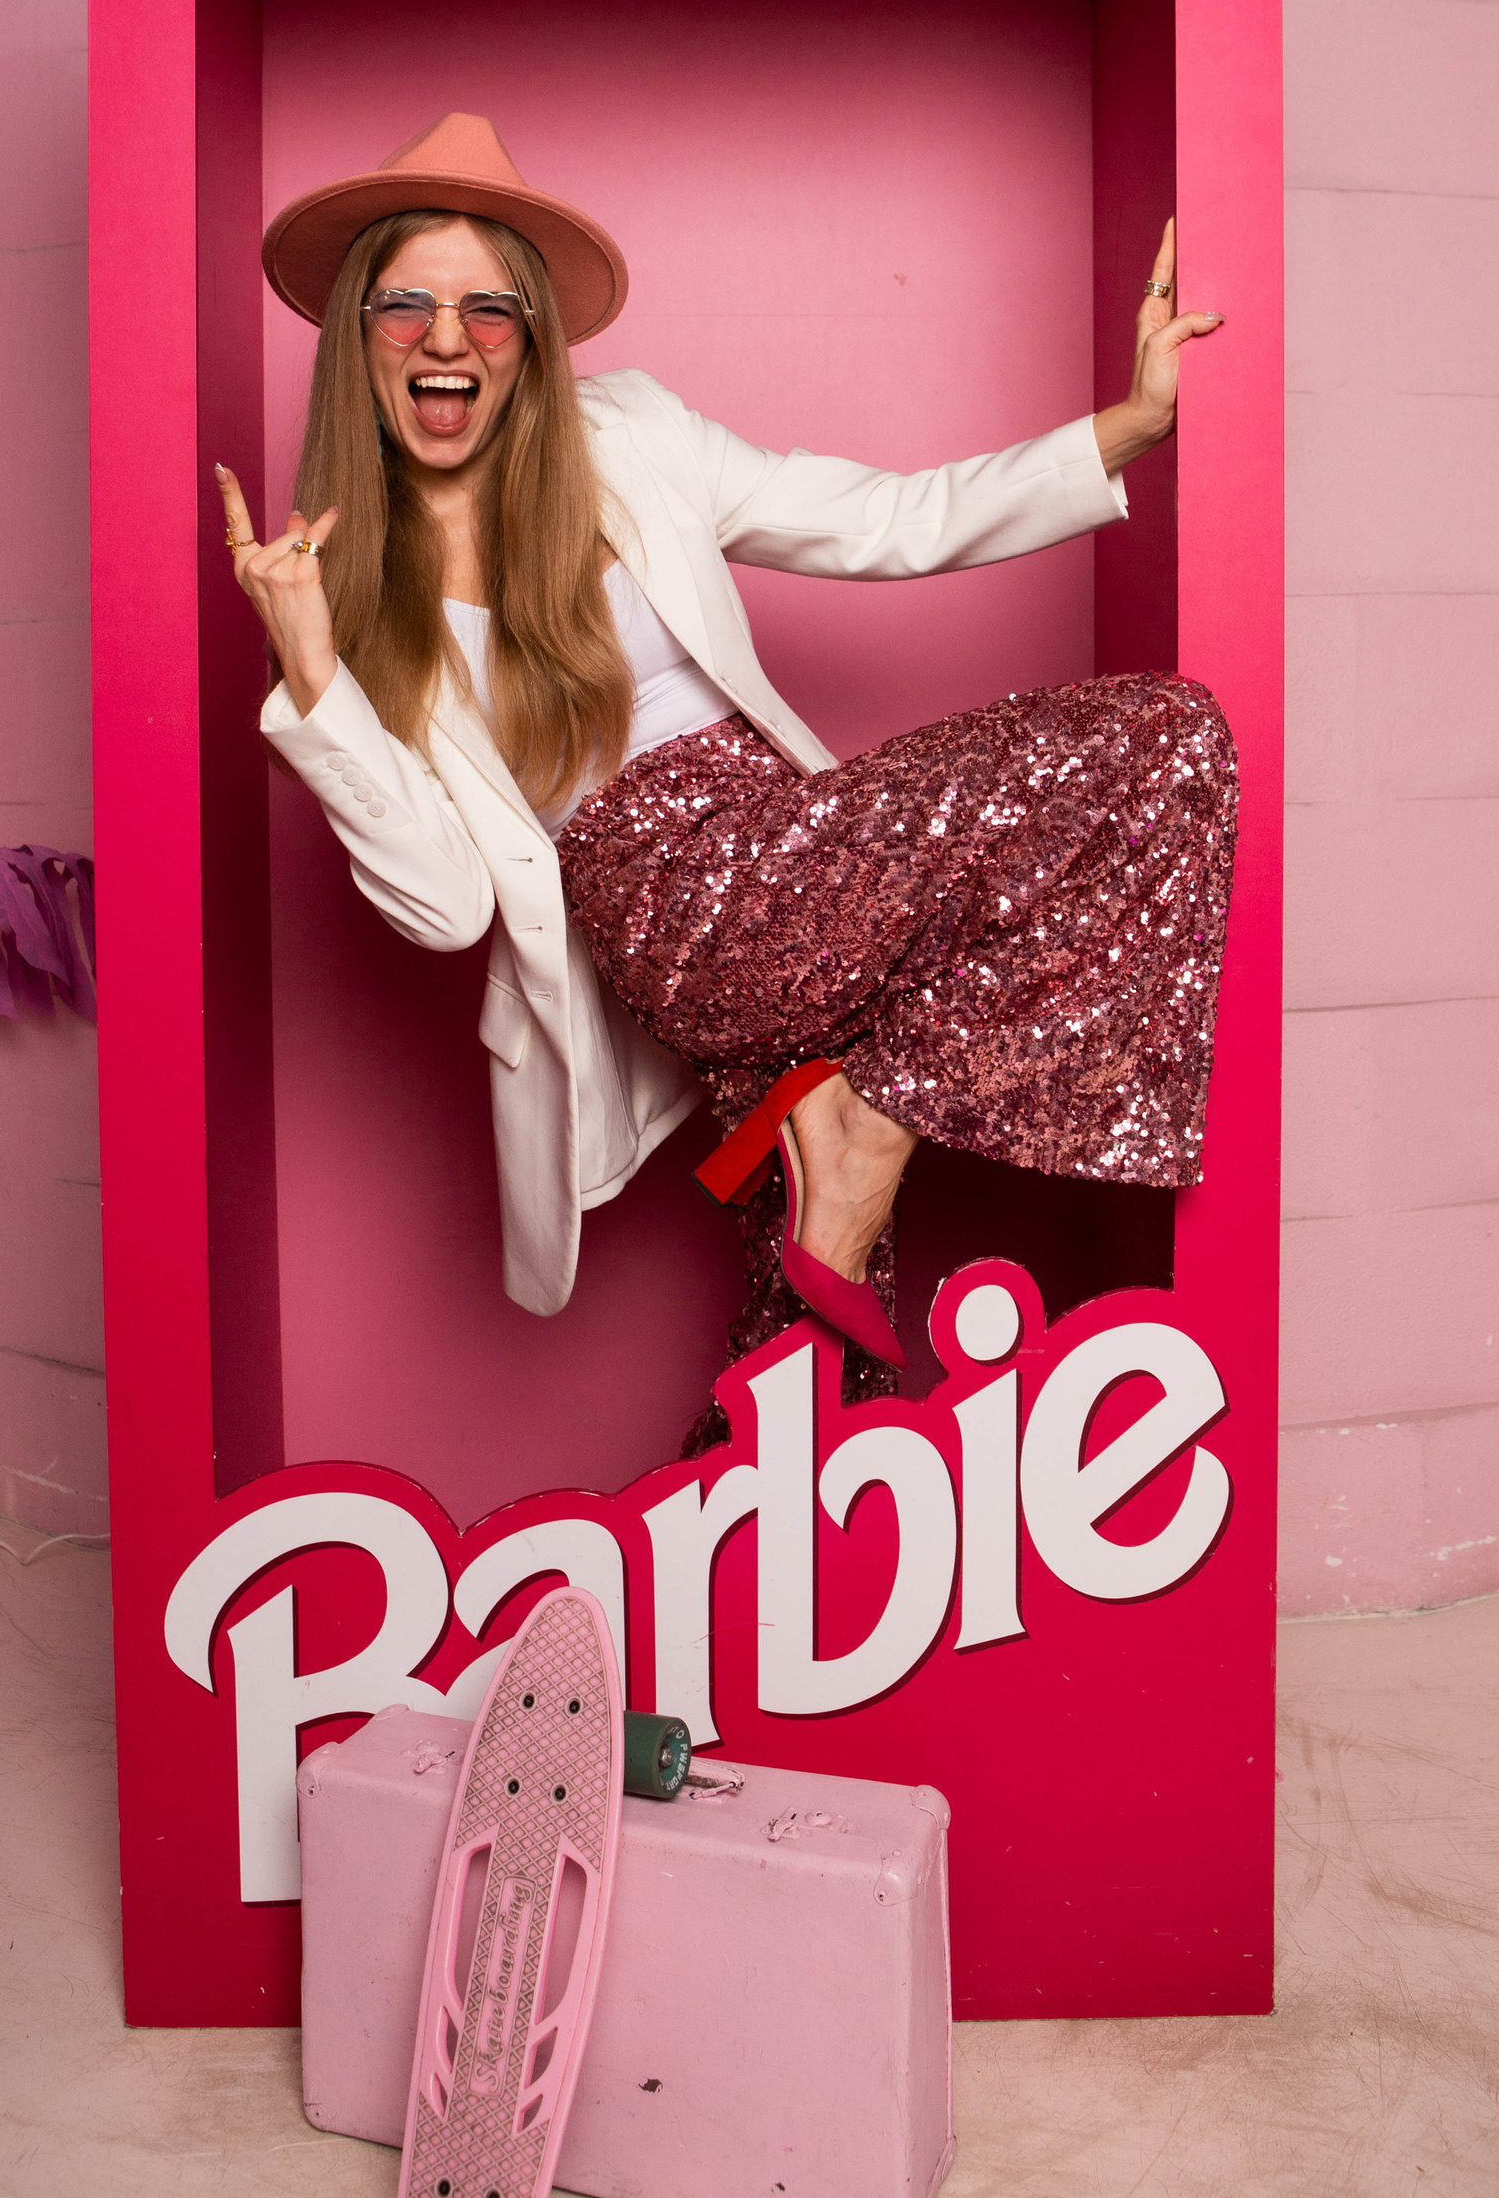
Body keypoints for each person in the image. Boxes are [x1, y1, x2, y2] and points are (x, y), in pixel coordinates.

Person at [216, 112, 1236, 1436]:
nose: (446, 338)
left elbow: (886, 520)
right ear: (360, 335)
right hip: (669, 912)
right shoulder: (343, 589)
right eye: (407, 305)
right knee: (1165, 736)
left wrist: (1133, 425)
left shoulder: (632, 435)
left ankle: (756, 1530)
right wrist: (312, 668)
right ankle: (871, 1119)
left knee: (812, 1318)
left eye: (487, 307)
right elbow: (448, 909)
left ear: (531, 336)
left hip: (802, 851)